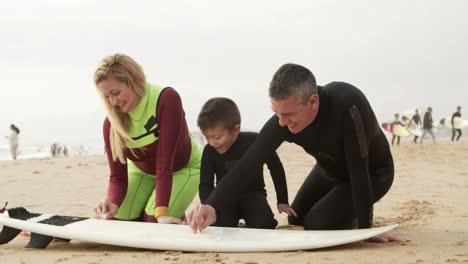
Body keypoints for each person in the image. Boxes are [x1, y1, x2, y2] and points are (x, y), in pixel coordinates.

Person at [186, 63, 403, 242]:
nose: (281, 122)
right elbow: (248, 164)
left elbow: (358, 167)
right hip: (329, 170)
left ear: (312, 102)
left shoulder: (347, 105)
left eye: (288, 114)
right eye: (276, 113)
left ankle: (351, 215)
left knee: (318, 224)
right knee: (296, 217)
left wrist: (367, 229)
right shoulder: (284, 120)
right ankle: (342, 207)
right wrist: (212, 205)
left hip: (372, 173)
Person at [93, 54, 201, 224]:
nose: (113, 102)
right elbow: (118, 177)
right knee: (115, 219)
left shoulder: (166, 99)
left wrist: (162, 212)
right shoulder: (111, 124)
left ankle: (173, 213)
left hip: (181, 169)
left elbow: (165, 161)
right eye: (107, 96)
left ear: (133, 80)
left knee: (153, 221)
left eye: (116, 93)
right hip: (142, 172)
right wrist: (112, 203)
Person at [197, 97, 296, 229]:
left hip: (254, 195)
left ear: (236, 130)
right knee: (223, 227)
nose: (211, 143)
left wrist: (282, 200)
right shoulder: (209, 151)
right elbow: (205, 184)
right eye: (207, 137)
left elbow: (275, 167)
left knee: (264, 225)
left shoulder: (255, 142)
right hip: (224, 198)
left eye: (217, 137)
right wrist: (209, 205)